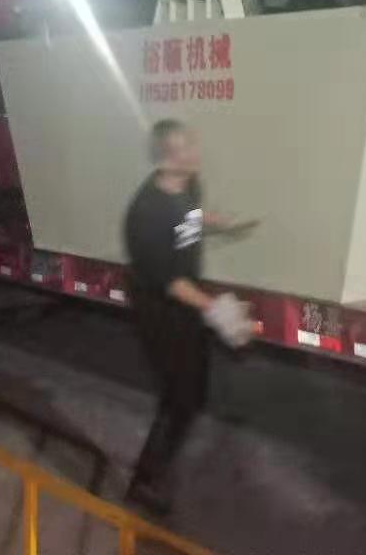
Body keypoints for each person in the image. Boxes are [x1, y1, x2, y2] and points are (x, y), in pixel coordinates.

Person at [124, 119, 254, 516]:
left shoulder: (190, 185)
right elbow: (170, 281)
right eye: (184, 149)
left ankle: (174, 435)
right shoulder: (145, 212)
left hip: (185, 300)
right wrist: (217, 311)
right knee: (178, 397)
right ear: (165, 158)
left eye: (193, 145)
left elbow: (190, 217)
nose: (195, 154)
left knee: (193, 390)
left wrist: (220, 223)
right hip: (159, 309)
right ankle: (144, 481)